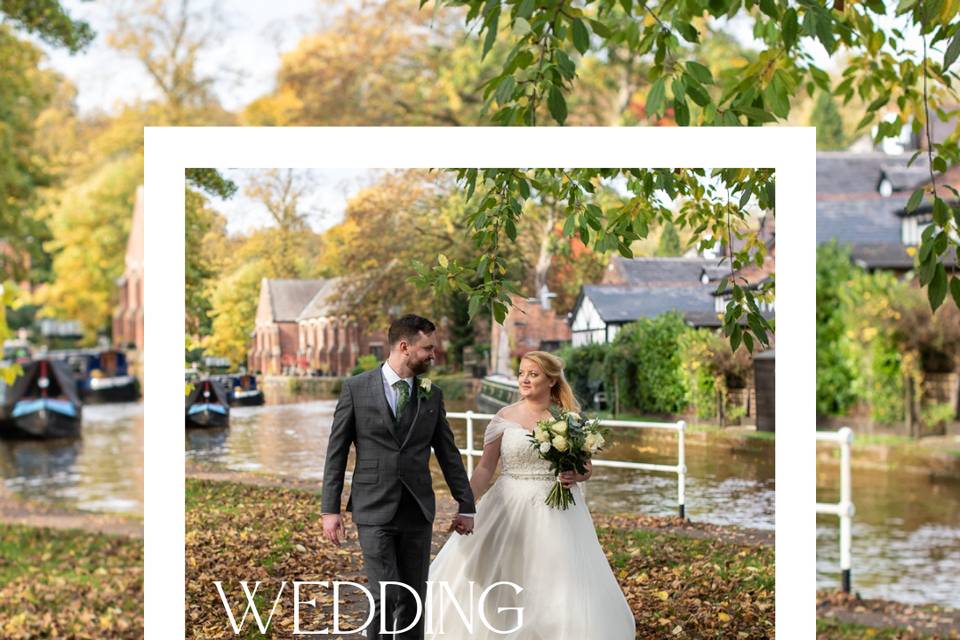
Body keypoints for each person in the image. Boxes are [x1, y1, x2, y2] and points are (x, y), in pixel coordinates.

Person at [424, 350, 636, 638]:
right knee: (501, 571)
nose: (524, 379)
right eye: (522, 373)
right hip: (507, 505)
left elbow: (587, 469)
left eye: (532, 374)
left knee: (555, 576)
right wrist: (466, 505)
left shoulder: (569, 420)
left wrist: (575, 475)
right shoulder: (504, 417)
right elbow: (486, 469)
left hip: (557, 510)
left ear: (550, 381)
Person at [321, 314, 476, 640]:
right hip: (373, 507)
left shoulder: (431, 394)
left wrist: (466, 504)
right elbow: (336, 453)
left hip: (416, 510)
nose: (433, 355)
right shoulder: (355, 389)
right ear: (404, 347)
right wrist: (330, 509)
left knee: (412, 597)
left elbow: (448, 453)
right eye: (427, 348)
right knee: (385, 594)